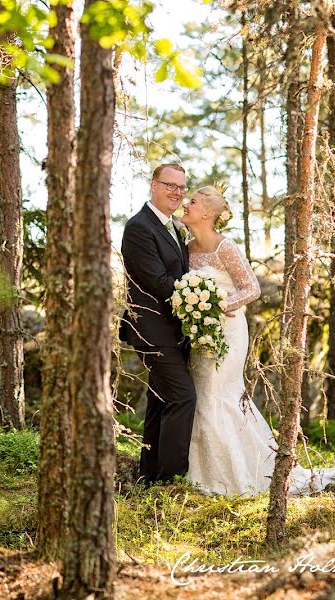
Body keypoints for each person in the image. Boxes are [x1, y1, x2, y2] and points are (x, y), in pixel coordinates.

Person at [180, 185, 335, 496]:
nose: (186, 204)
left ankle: (241, 474)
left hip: (228, 330)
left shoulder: (226, 247)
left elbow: (251, 288)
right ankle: (201, 472)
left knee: (218, 393)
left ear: (207, 213)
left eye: (192, 202)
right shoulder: (185, 247)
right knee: (201, 393)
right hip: (200, 332)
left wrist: (217, 304)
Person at [119, 163, 195, 484]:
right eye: (170, 185)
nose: (176, 192)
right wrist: (196, 295)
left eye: (181, 187)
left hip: (172, 329)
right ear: (154, 185)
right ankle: (171, 479)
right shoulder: (139, 227)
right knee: (183, 397)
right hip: (150, 329)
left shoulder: (174, 227)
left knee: (160, 401)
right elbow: (157, 281)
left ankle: (149, 476)